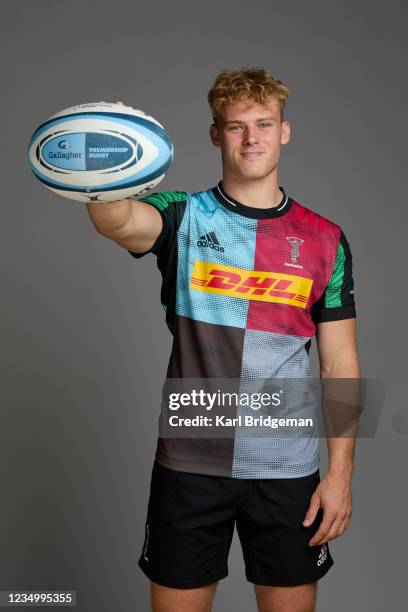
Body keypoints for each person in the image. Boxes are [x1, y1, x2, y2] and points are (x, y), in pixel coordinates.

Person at [86, 68, 360, 612]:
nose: (252, 137)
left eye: (264, 124)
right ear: (216, 134)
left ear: (285, 131)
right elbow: (115, 220)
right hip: (191, 464)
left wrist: (341, 474)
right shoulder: (183, 216)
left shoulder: (325, 239)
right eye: (237, 126)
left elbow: (341, 363)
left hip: (287, 471)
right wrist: (108, 149)